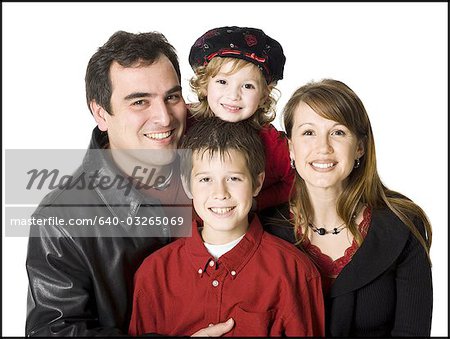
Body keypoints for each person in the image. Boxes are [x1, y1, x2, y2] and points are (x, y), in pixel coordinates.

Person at [24, 30, 229, 337]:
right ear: (100, 113)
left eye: (171, 97)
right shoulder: (61, 219)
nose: (164, 117)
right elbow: (52, 332)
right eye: (139, 102)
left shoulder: (220, 159)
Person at [128, 117, 325, 337]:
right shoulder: (154, 273)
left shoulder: (294, 272)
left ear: (257, 183)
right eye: (205, 180)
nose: (220, 193)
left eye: (233, 178)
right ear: (187, 184)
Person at [281, 78, 433, 337]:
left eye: (338, 132)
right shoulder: (263, 228)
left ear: (360, 147)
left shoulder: (402, 224)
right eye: (308, 132)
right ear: (291, 148)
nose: (323, 147)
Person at [187, 26, 295, 212]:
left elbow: (295, 182)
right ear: (204, 85)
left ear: (264, 95)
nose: (233, 95)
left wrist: (259, 203)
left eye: (247, 86)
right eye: (222, 82)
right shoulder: (185, 123)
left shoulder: (273, 143)